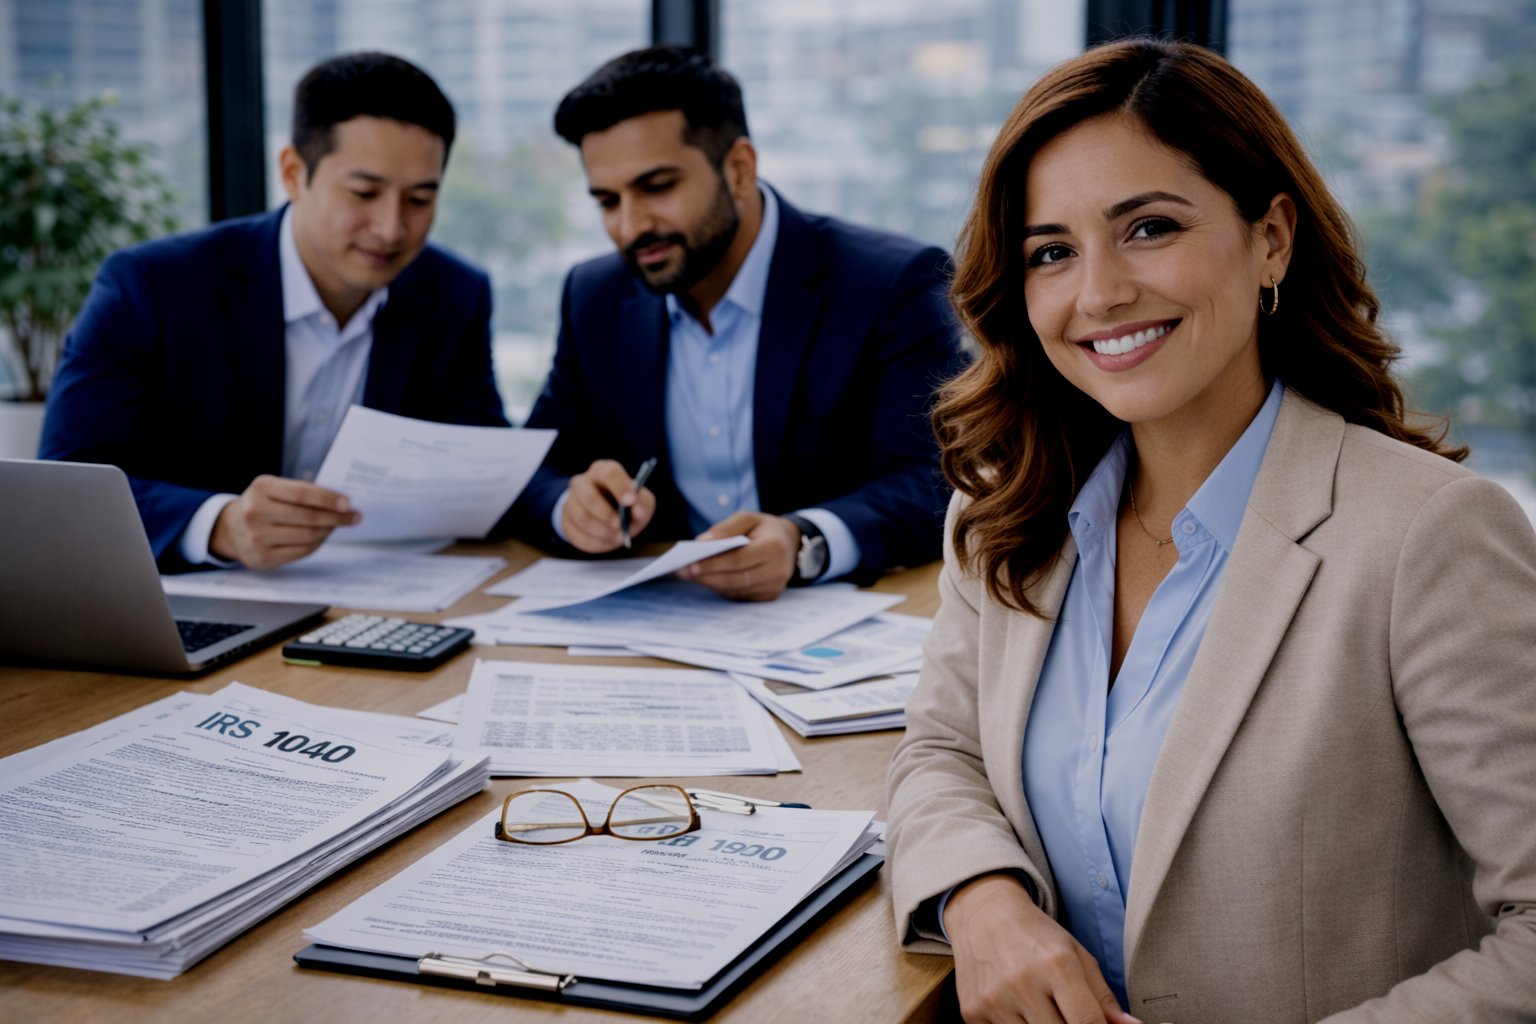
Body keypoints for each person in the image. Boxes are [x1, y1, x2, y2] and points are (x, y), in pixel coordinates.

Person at [886, 39, 1536, 1024]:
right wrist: (981, 900)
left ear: (1271, 238)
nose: (1098, 292)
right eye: (1051, 251)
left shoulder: (1427, 538)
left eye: (1147, 227)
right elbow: (941, 750)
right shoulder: (1005, 510)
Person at [504, 46, 963, 600]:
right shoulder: (595, 296)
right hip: (658, 627)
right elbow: (531, 468)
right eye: (607, 200)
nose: (629, 226)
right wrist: (569, 507)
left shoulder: (890, 283)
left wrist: (803, 540)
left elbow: (935, 480)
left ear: (740, 168)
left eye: (657, 187)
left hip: (833, 625)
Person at [40, 52, 507, 572]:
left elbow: (482, 461)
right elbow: (68, 483)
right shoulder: (154, 285)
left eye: (420, 199)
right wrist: (219, 525)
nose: (392, 228)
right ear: (293, 173)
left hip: (382, 601)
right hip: (189, 603)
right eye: (364, 193)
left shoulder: (455, 295)